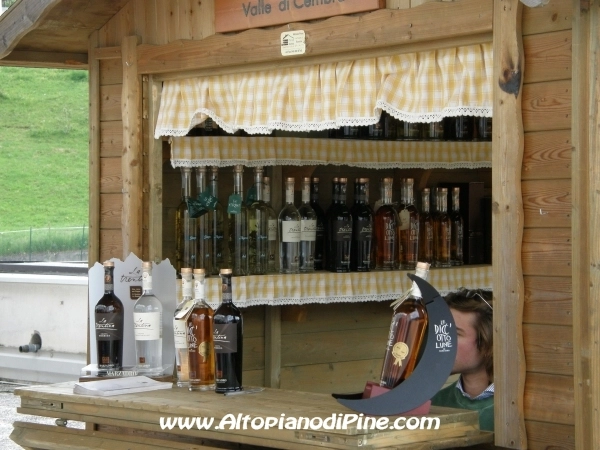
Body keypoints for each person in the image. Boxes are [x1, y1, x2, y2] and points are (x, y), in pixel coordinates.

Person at [430, 288, 494, 431]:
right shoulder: (436, 402)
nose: (441, 342)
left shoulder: (516, 406)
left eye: (454, 334)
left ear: (486, 341)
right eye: (441, 333)